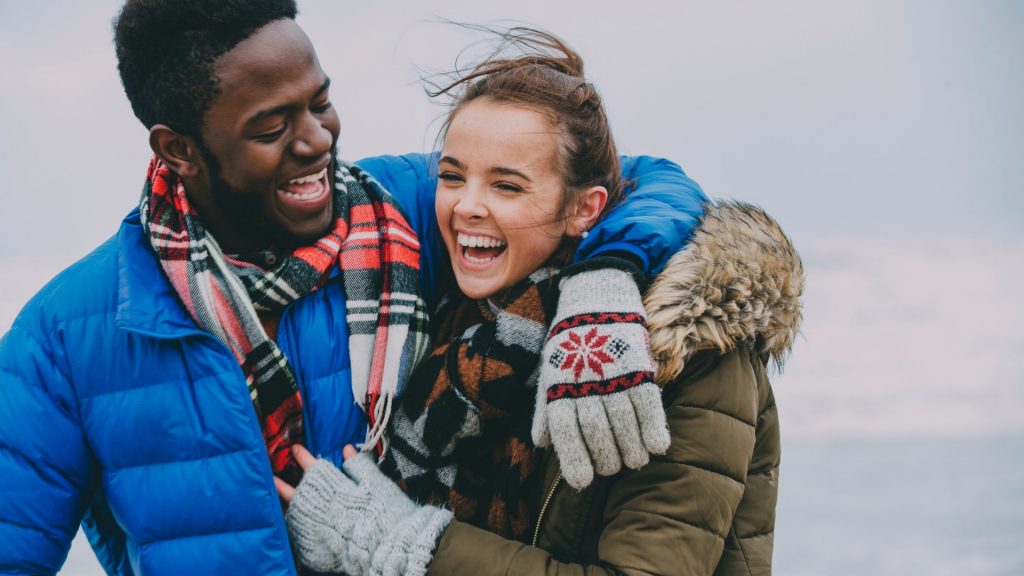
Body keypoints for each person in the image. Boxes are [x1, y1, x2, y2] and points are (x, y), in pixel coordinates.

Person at [0, 3, 708, 575]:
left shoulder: (403, 204)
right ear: (179, 151)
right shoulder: (63, 334)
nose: (317, 141)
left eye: (321, 102)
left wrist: (604, 278)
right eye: (273, 126)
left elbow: (630, 180)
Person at [276, 29, 804, 576]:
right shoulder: (442, 305)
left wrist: (402, 541)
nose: (466, 207)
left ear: (584, 209)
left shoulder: (688, 352)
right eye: (453, 177)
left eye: (507, 186)